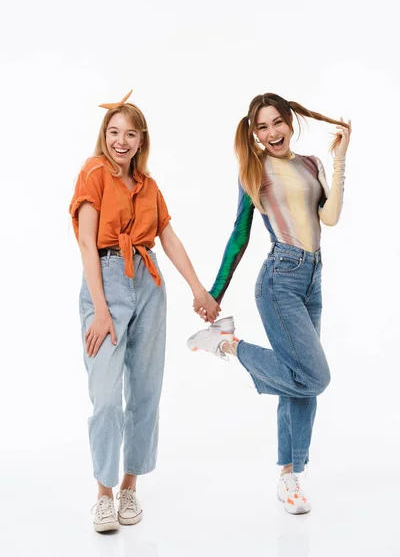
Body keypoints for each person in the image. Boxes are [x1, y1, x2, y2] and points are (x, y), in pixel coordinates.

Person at [188, 93, 351, 515]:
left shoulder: (310, 164)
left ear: (290, 121)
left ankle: (290, 477)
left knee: (299, 382)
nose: (272, 132)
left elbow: (329, 219)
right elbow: (239, 236)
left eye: (277, 122)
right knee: (315, 377)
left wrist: (339, 159)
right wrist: (215, 292)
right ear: (255, 134)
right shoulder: (255, 171)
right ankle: (226, 343)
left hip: (313, 278)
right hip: (280, 279)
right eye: (262, 127)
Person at [69, 90, 220, 532]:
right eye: (113, 132)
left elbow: (169, 239)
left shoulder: (149, 187)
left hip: (150, 283)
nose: (120, 140)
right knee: (105, 396)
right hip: (108, 279)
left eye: (129, 133)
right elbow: (86, 241)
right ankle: (103, 492)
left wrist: (200, 291)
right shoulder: (93, 172)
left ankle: (130, 486)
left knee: (146, 389)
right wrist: (100, 309)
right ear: (105, 135)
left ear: (141, 140)